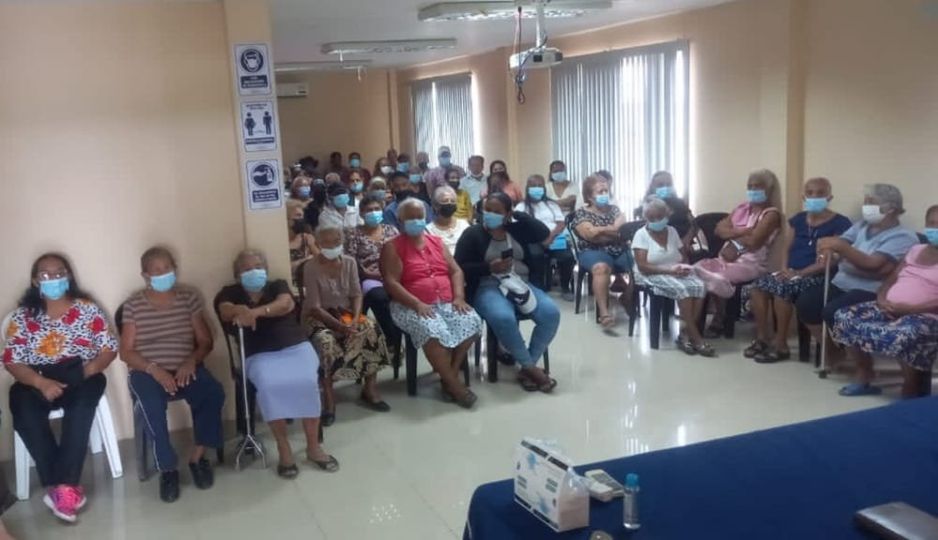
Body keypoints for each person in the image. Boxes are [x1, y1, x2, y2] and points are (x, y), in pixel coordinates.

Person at [3, 253, 117, 523]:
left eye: (59, 273)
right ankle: (62, 486)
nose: (53, 278)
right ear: (35, 280)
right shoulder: (23, 316)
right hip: (37, 377)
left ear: (68, 277)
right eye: (46, 274)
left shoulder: (87, 309)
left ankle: (61, 487)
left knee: (82, 405)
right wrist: (41, 383)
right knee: (21, 404)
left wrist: (85, 371)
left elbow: (109, 349)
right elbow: (12, 361)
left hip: (82, 373)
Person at [215, 250, 338, 478]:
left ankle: (313, 447)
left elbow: (285, 304)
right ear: (237, 274)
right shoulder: (230, 292)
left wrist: (255, 313)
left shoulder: (277, 285)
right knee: (270, 386)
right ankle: (284, 448)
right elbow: (224, 311)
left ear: (266, 269)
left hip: (295, 346)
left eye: (258, 266)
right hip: (259, 354)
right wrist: (238, 310)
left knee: (307, 381)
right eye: (246, 268)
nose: (253, 271)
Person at [119, 247, 224, 503]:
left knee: (213, 392)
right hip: (147, 372)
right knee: (151, 405)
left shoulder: (189, 298)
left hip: (186, 368)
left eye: (167, 268)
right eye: (156, 270)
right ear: (145, 275)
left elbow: (205, 341)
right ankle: (167, 469)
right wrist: (154, 370)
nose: (163, 273)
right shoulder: (133, 305)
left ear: (174, 268)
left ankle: (197, 458)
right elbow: (126, 352)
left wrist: (191, 361)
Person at [796, 183, 920, 364]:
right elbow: (838, 245)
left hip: (870, 290)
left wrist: (842, 251)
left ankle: (862, 363)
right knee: (806, 303)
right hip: (841, 282)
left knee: (833, 312)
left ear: (891, 209)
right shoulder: (862, 225)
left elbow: (873, 265)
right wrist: (834, 251)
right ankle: (832, 350)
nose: (866, 206)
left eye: (871, 202)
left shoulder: (903, 236)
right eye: (866, 202)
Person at [380, 198, 483, 408]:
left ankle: (449, 376)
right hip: (409, 305)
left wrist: (458, 297)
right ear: (400, 220)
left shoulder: (436, 242)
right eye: (410, 218)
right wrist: (416, 303)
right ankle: (456, 386)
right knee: (432, 331)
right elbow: (391, 282)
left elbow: (455, 271)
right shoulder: (393, 246)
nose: (415, 221)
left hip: (446, 301)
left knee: (471, 321)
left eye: (419, 217)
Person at [455, 192, 559, 392]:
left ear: (507, 214)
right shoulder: (473, 233)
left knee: (551, 314)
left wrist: (519, 215)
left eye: (497, 211)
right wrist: (488, 268)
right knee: (503, 317)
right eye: (487, 210)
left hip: (520, 283)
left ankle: (526, 367)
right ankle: (530, 368)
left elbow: (543, 233)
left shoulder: (516, 230)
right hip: (488, 286)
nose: (490, 214)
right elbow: (459, 267)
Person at [831, 205, 938, 397]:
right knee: (844, 316)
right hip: (889, 306)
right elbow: (891, 279)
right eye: (932, 224)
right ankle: (865, 373)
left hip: (925, 314)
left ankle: (910, 387)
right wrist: (881, 298)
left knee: (905, 333)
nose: (935, 229)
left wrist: (910, 309)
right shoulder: (916, 250)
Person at [746, 178, 852, 363]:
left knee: (781, 289)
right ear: (804, 196)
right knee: (758, 287)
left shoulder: (840, 222)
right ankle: (762, 339)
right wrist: (785, 268)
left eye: (820, 193)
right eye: (810, 193)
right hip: (792, 272)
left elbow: (832, 260)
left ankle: (781, 345)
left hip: (820, 275)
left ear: (829, 197)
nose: (814, 197)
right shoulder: (799, 220)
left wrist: (800, 274)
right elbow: (786, 248)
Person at [303, 225, 391, 423]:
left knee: (371, 328)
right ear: (318, 244)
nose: (332, 246)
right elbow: (315, 307)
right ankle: (329, 401)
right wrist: (340, 327)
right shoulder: (311, 267)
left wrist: (356, 318)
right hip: (319, 316)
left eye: (336, 241)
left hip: (346, 314)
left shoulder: (350, 262)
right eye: (326, 243)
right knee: (325, 342)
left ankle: (370, 389)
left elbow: (356, 294)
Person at [693, 169, 783, 337]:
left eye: (758, 186)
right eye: (750, 186)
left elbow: (754, 242)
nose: (753, 190)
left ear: (769, 189)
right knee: (696, 269)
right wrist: (744, 231)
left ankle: (720, 317)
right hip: (726, 257)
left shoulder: (771, 215)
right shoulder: (742, 208)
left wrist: (733, 232)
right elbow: (719, 230)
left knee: (716, 277)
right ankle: (696, 324)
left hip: (752, 263)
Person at [632, 198, 715, 356]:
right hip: (651, 273)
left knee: (700, 286)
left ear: (666, 215)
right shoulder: (640, 235)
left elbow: (683, 255)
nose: (656, 221)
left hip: (675, 270)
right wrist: (670, 271)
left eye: (659, 217)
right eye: (651, 218)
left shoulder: (672, 231)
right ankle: (695, 337)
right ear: (646, 218)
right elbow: (642, 266)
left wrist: (685, 268)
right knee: (683, 290)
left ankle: (684, 333)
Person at [345, 193, 402, 368]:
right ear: (362, 213)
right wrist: (370, 274)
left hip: (393, 276)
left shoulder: (391, 231)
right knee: (379, 297)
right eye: (369, 210)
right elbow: (351, 262)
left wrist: (391, 274)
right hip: (367, 278)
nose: (373, 212)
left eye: (377, 209)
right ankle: (392, 341)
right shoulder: (354, 233)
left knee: (398, 295)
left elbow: (401, 256)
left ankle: (393, 341)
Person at [571, 175, 632, 329]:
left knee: (640, 265)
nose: (605, 194)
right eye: (600, 192)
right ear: (589, 197)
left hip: (619, 249)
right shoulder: (581, 213)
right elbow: (590, 235)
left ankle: (626, 297)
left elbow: (622, 232)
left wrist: (600, 230)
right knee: (601, 268)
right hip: (591, 250)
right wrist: (613, 230)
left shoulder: (615, 210)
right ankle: (604, 313)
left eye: (606, 190)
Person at [518, 174, 576, 301]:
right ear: (527, 188)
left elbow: (561, 223)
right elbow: (520, 227)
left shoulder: (551, 204)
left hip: (554, 238)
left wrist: (550, 237)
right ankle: (538, 287)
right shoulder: (521, 206)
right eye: (533, 185)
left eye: (540, 185)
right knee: (535, 256)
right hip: (533, 240)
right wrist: (540, 239)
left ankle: (565, 287)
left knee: (568, 257)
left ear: (544, 188)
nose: (537, 188)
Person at [635, 171, 697, 246]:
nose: (665, 187)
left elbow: (694, 224)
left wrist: (687, 239)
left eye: (668, 184)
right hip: (657, 246)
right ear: (652, 187)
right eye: (660, 185)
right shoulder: (646, 206)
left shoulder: (680, 203)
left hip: (685, 244)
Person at [427, 185, 471, 253]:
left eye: (452, 201)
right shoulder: (428, 231)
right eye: (445, 201)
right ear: (435, 205)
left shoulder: (464, 225)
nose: (449, 203)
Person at [288, 200, 318, 277]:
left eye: (302, 216)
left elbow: (321, 260)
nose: (301, 219)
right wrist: (304, 260)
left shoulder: (305, 236)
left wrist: (312, 245)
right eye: (298, 215)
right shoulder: (279, 240)